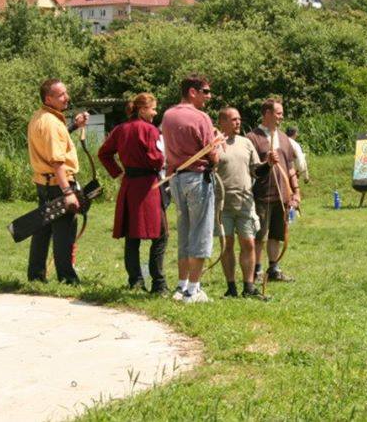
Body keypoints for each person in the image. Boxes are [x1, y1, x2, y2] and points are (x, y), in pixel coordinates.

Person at [98, 93, 168, 294]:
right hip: (148, 187)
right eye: (153, 109)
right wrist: (165, 157)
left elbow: (104, 153)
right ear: (143, 109)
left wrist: (119, 172)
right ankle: (159, 284)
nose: (155, 113)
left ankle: (135, 281)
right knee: (161, 235)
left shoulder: (121, 129)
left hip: (129, 185)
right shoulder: (149, 130)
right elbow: (156, 160)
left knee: (132, 237)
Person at [161, 74, 219, 304]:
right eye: (205, 91)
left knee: (184, 232)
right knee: (201, 232)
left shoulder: (168, 115)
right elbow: (212, 154)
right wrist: (217, 149)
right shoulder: (201, 117)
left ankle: (181, 285)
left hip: (176, 179)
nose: (209, 96)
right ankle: (193, 290)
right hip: (197, 178)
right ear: (192, 92)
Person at [26, 78, 89, 284]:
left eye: (65, 93)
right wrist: (68, 192)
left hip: (44, 183)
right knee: (64, 232)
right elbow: (57, 161)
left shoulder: (39, 116)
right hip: (58, 184)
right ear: (48, 99)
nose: (66, 97)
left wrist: (74, 125)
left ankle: (36, 276)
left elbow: (54, 143)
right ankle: (67, 278)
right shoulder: (52, 123)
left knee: (42, 230)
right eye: (61, 95)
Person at [214, 106, 270, 299]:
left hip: (245, 201)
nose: (238, 122)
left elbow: (256, 171)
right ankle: (231, 288)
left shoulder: (246, 142)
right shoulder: (214, 144)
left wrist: (269, 164)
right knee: (227, 245)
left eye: (239, 119)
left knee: (249, 244)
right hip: (222, 204)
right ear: (222, 122)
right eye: (233, 119)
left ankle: (249, 287)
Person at [246, 98, 301, 282]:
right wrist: (266, 163)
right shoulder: (252, 138)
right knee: (259, 235)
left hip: (282, 195)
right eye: (278, 113)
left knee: (276, 234)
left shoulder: (284, 137)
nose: (281, 117)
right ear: (267, 114)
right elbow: (251, 169)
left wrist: (296, 191)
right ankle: (257, 271)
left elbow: (290, 167)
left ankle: (274, 269)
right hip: (261, 195)